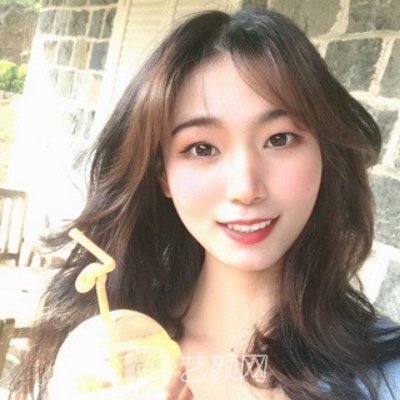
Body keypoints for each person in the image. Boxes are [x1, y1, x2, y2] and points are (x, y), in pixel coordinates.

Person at [10, 7, 400, 400]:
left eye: (279, 139)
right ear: (162, 174)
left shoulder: (387, 375)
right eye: (202, 148)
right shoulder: (99, 361)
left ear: (325, 153)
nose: (245, 188)